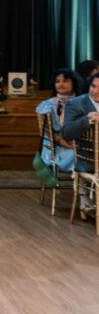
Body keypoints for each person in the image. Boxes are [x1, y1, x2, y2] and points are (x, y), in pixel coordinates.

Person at [62, 71, 99, 217]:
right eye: (93, 86)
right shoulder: (76, 104)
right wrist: (87, 120)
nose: (95, 91)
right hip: (89, 158)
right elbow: (67, 133)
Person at [34, 67, 79, 175]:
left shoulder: (82, 101)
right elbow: (49, 134)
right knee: (79, 154)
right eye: (57, 81)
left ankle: (86, 186)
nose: (61, 84)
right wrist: (67, 144)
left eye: (65, 81)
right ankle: (82, 186)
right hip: (56, 146)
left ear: (74, 83)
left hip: (78, 143)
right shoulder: (48, 104)